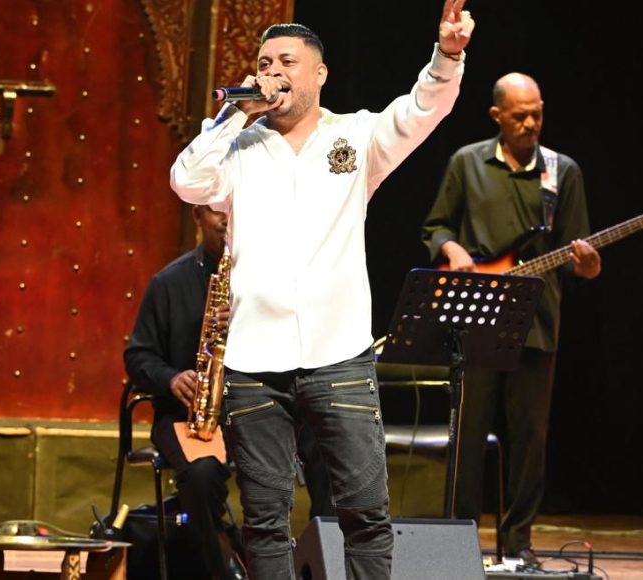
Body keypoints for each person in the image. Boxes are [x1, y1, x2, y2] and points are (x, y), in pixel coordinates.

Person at [169, 1, 475, 577]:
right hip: (255, 361)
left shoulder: (356, 136)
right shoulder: (238, 148)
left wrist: (447, 55)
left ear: (320, 73)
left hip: (339, 356)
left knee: (365, 515)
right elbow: (187, 181)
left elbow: (422, 109)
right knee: (264, 521)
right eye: (264, 63)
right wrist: (236, 112)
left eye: (287, 62)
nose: (273, 72)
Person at [420, 72, 601, 561]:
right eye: (519, 116)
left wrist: (588, 266)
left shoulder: (563, 171)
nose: (530, 124)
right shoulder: (467, 162)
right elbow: (436, 226)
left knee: (529, 441)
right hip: (476, 317)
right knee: (468, 436)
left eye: (537, 114)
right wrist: (453, 249)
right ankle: (457, 543)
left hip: (536, 320)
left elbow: (576, 251)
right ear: (496, 116)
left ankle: (518, 546)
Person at [125, 205, 333, 579]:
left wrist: (254, 320)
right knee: (201, 475)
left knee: (328, 446)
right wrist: (171, 378)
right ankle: (225, 567)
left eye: (234, 209)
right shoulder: (168, 283)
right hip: (190, 416)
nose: (227, 219)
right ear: (197, 216)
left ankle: (326, 564)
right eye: (216, 211)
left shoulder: (273, 282)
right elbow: (138, 355)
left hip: (262, 408)